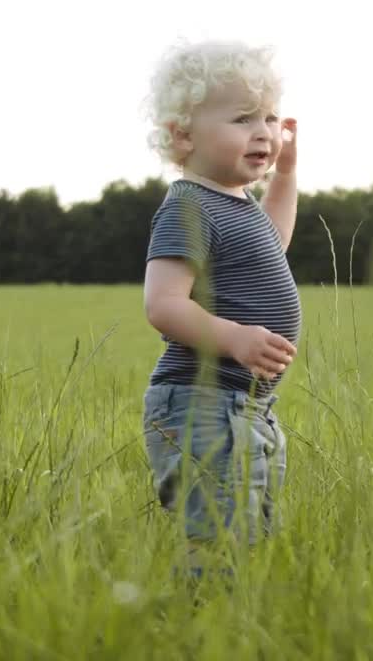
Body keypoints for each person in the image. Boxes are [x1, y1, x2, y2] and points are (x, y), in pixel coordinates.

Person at [139, 40, 302, 576]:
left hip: (246, 406)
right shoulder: (189, 206)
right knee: (217, 535)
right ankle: (196, 622)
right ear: (183, 136)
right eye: (242, 118)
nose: (265, 132)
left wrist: (284, 177)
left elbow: (273, 239)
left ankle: (231, 624)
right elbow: (163, 304)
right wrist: (233, 337)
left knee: (249, 530)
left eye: (271, 118)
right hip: (201, 402)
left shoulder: (239, 203)